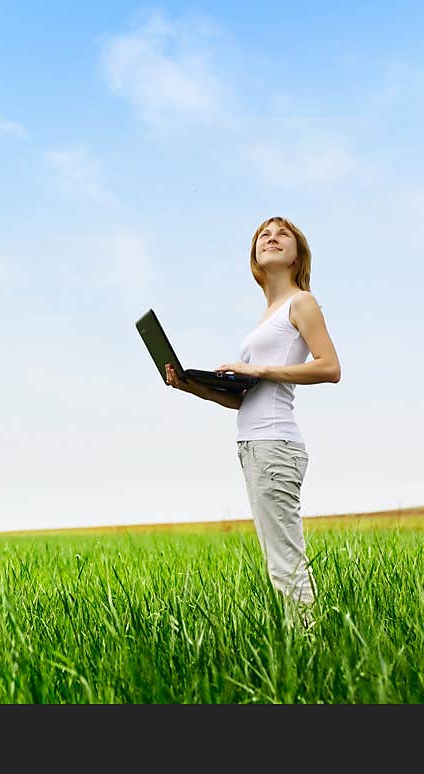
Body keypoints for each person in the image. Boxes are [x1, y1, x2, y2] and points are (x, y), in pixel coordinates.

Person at [165, 215, 341, 619]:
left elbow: (330, 367)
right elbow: (243, 401)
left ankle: (309, 653)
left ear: (298, 255)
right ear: (255, 256)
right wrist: (190, 384)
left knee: (286, 563)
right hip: (255, 446)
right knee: (278, 563)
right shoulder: (267, 317)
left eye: (283, 235)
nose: (272, 238)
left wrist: (258, 370)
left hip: (275, 443)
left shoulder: (302, 303)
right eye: (265, 235)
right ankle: (303, 645)